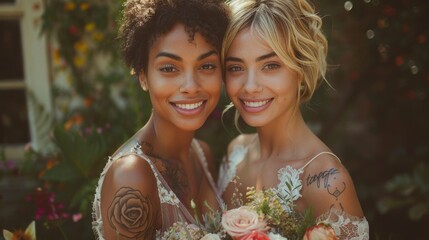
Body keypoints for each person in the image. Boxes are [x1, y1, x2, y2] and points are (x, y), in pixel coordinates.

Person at [217, 0, 369, 239]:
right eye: (236, 68)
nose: (250, 86)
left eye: (270, 65)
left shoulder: (327, 182)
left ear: (301, 68)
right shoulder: (235, 153)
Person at [92, 0, 229, 239]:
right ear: (143, 76)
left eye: (206, 65)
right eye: (169, 68)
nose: (190, 86)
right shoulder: (131, 176)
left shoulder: (202, 154)